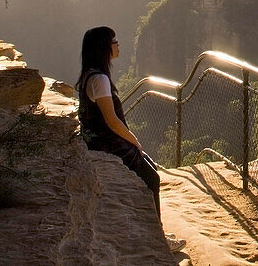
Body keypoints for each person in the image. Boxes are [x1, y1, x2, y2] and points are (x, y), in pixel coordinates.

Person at [77, 26, 186, 253]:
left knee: (151, 170)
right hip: (108, 143)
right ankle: (158, 238)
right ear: (104, 48)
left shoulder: (91, 75)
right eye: (114, 42)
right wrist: (134, 141)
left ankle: (156, 228)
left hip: (101, 140)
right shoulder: (100, 80)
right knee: (152, 179)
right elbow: (112, 120)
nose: (118, 45)